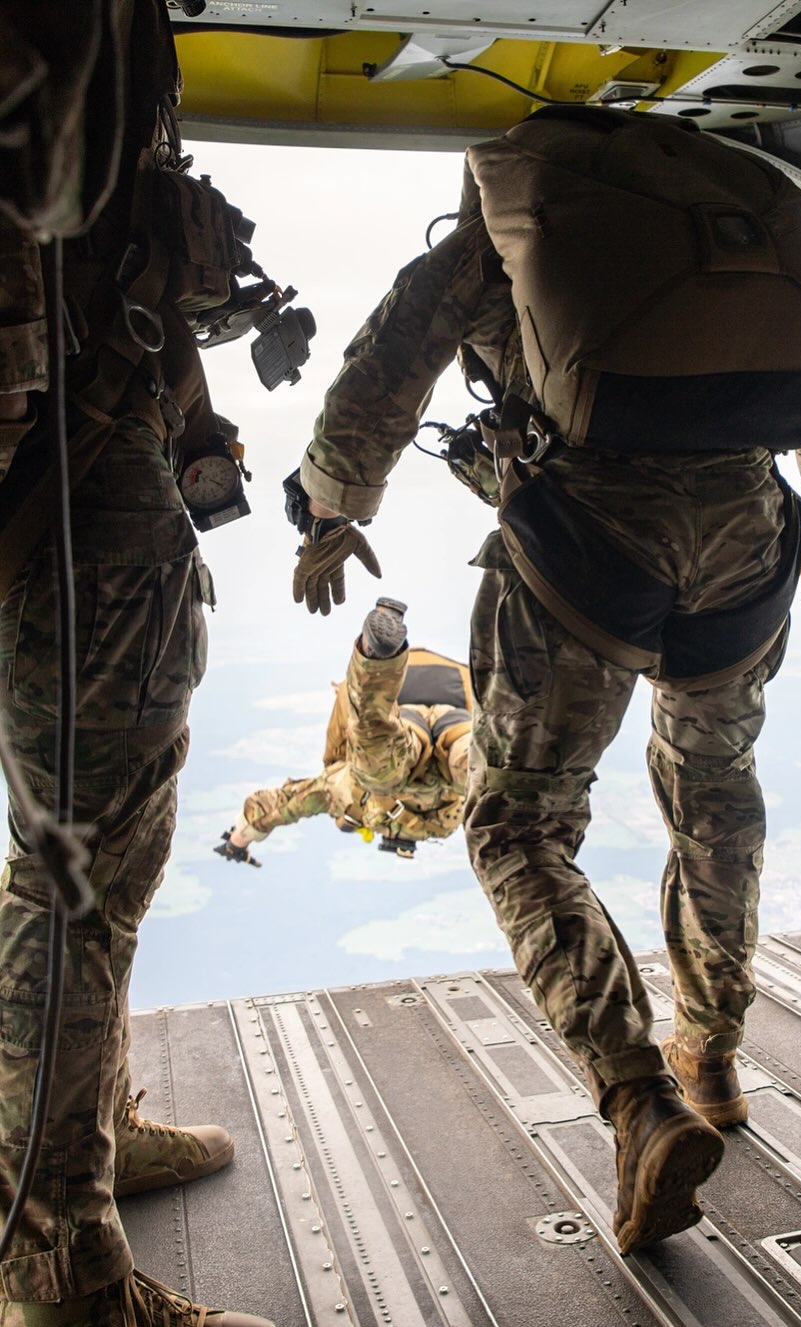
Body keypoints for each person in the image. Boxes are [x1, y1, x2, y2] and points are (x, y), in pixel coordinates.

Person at [286, 105, 801, 1254]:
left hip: (588, 542)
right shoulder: (713, 200)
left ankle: (636, 1099)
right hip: (751, 535)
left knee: (517, 825)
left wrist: (330, 511)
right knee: (715, 787)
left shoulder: (513, 213)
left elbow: (394, 355)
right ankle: (712, 1054)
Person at [0, 4, 274, 1326]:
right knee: (75, 879)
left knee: (108, 864)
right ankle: (60, 1265)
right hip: (65, 489)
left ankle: (87, 1134)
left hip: (107, 468)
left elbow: (101, 224)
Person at [216, 598, 472, 863]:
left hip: (440, 717)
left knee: (386, 764)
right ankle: (375, 656)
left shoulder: (350, 797)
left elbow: (283, 803)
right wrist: (239, 838)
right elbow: (282, 804)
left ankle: (378, 656)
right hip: (451, 708)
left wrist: (239, 840)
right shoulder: (346, 799)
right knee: (379, 749)